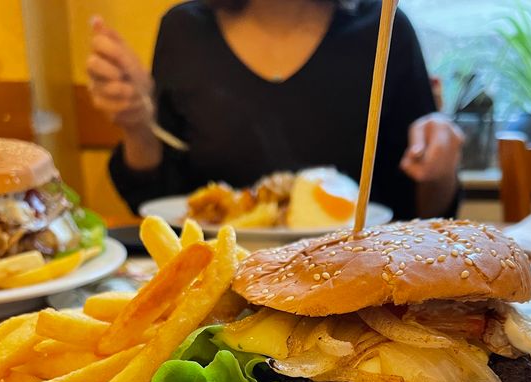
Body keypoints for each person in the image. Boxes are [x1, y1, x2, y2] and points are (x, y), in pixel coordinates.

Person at [87, 0, 464, 220]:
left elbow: (424, 214)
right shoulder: (184, 30)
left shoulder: (384, 28)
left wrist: (439, 168)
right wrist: (137, 125)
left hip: (357, 288)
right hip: (219, 283)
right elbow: (155, 201)